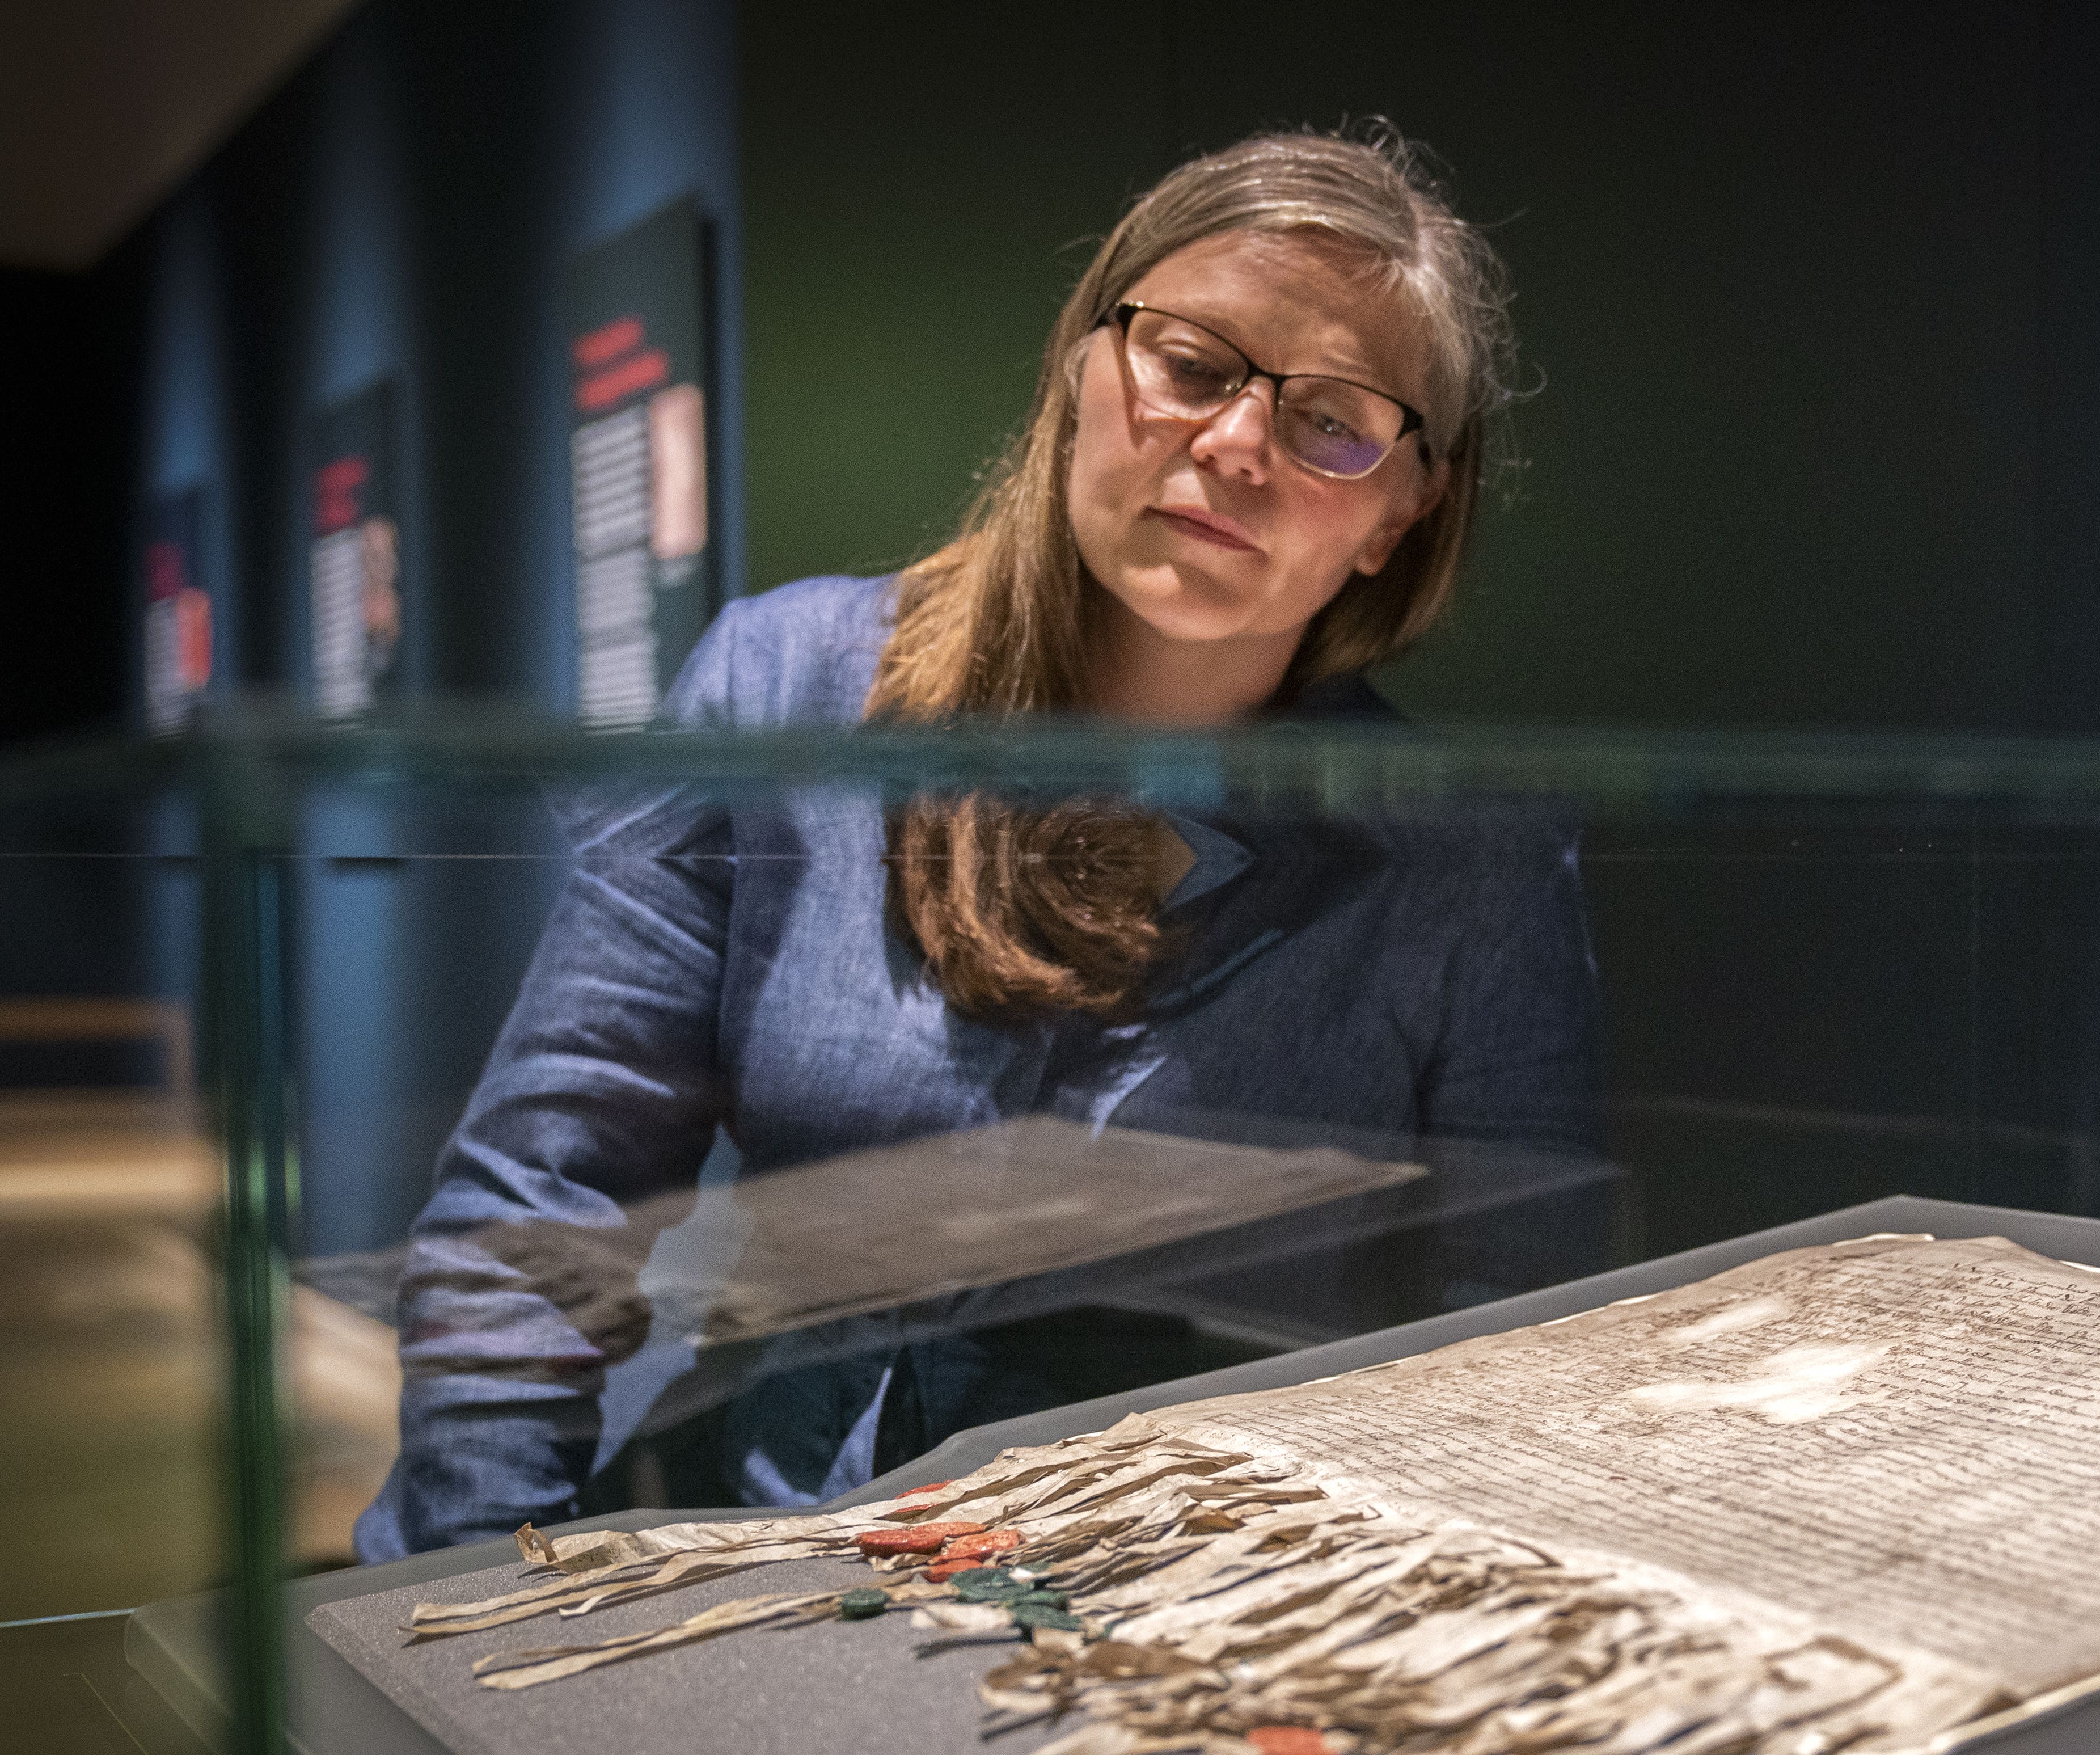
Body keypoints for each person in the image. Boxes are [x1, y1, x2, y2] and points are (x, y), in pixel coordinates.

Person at [354, 130, 1599, 1559]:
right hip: (758, 1551)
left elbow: (1512, 1360)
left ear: (1399, 513)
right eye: (1191, 363)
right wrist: (480, 1576)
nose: (1237, 444)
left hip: (1184, 1633)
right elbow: (540, 1192)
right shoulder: (783, 689)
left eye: (1332, 422)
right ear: (1084, 366)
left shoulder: (1468, 860)